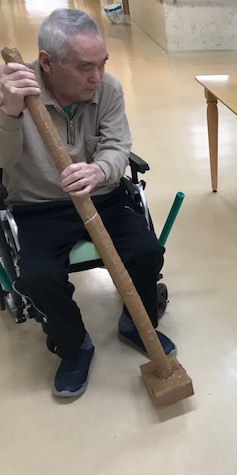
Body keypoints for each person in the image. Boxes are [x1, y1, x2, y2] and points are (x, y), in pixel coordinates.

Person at [0, 8, 176, 398]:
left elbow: (117, 145)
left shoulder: (108, 88)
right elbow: (3, 159)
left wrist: (98, 171)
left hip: (102, 195)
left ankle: (136, 322)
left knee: (147, 251)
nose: (97, 76)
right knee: (38, 277)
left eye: (102, 63)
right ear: (47, 62)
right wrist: (9, 113)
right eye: (85, 67)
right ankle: (73, 344)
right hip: (39, 205)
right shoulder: (11, 90)